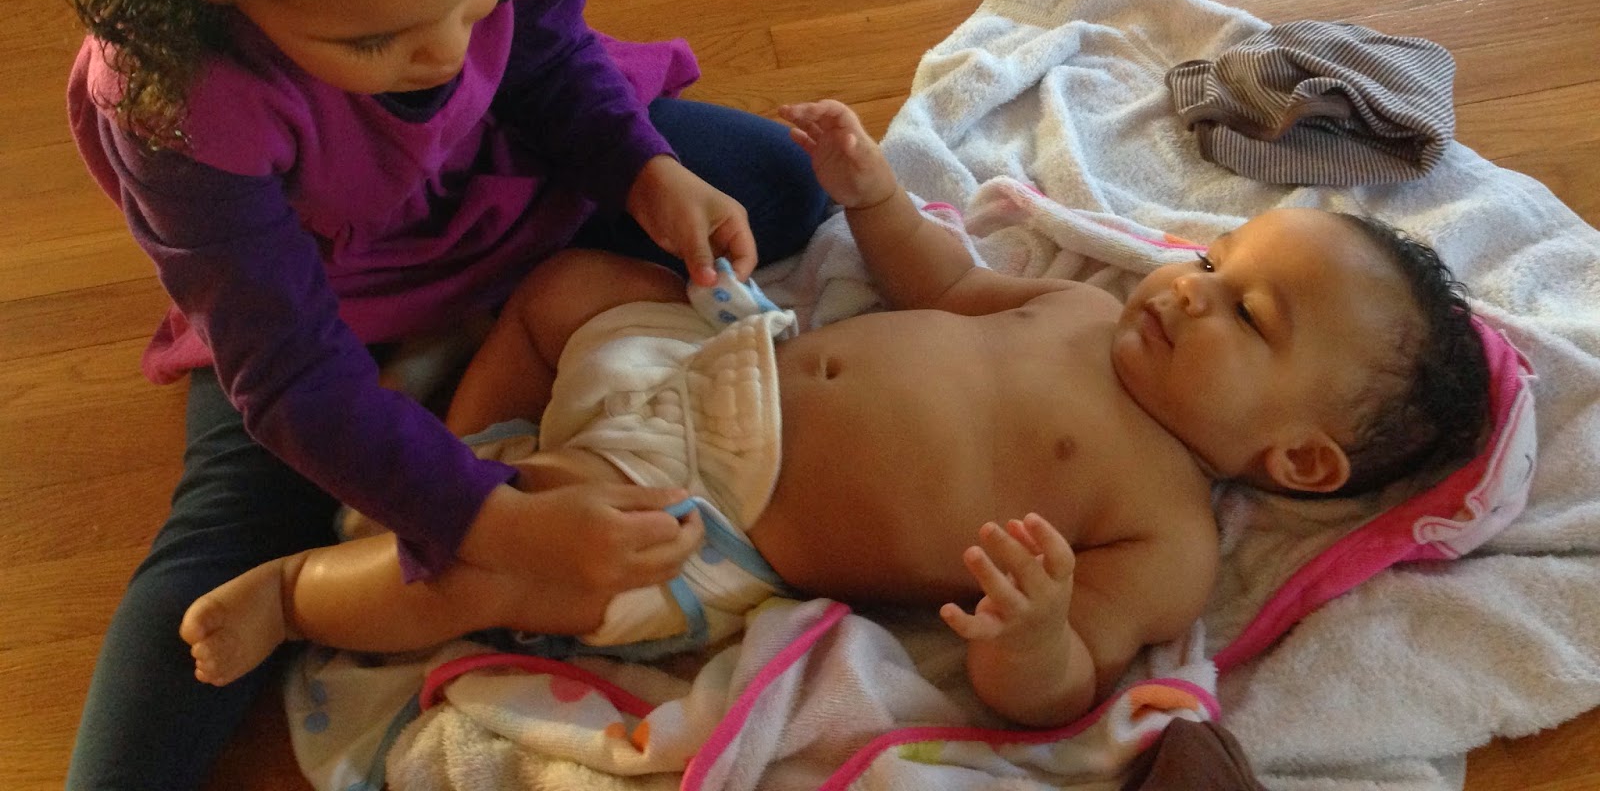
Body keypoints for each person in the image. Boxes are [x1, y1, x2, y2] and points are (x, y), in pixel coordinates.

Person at [1, 0, 831, 788]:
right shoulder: (174, 101)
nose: (446, 49)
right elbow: (291, 372)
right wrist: (493, 520)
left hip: (506, 185)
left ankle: (491, 333)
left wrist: (642, 171)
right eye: (376, 39)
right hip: (321, 295)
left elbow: (547, 62)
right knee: (225, 531)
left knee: (776, 185)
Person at [180, 99, 1491, 728]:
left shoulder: (1166, 536)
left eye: (1245, 314)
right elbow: (949, 284)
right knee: (568, 291)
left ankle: (307, 592)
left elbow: (1052, 692)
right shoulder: (1084, 314)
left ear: (1299, 458)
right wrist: (873, 200)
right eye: (1211, 262)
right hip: (729, 356)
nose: (1186, 289)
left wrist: (1034, 634)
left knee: (503, 571)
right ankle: (480, 451)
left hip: (708, 524)